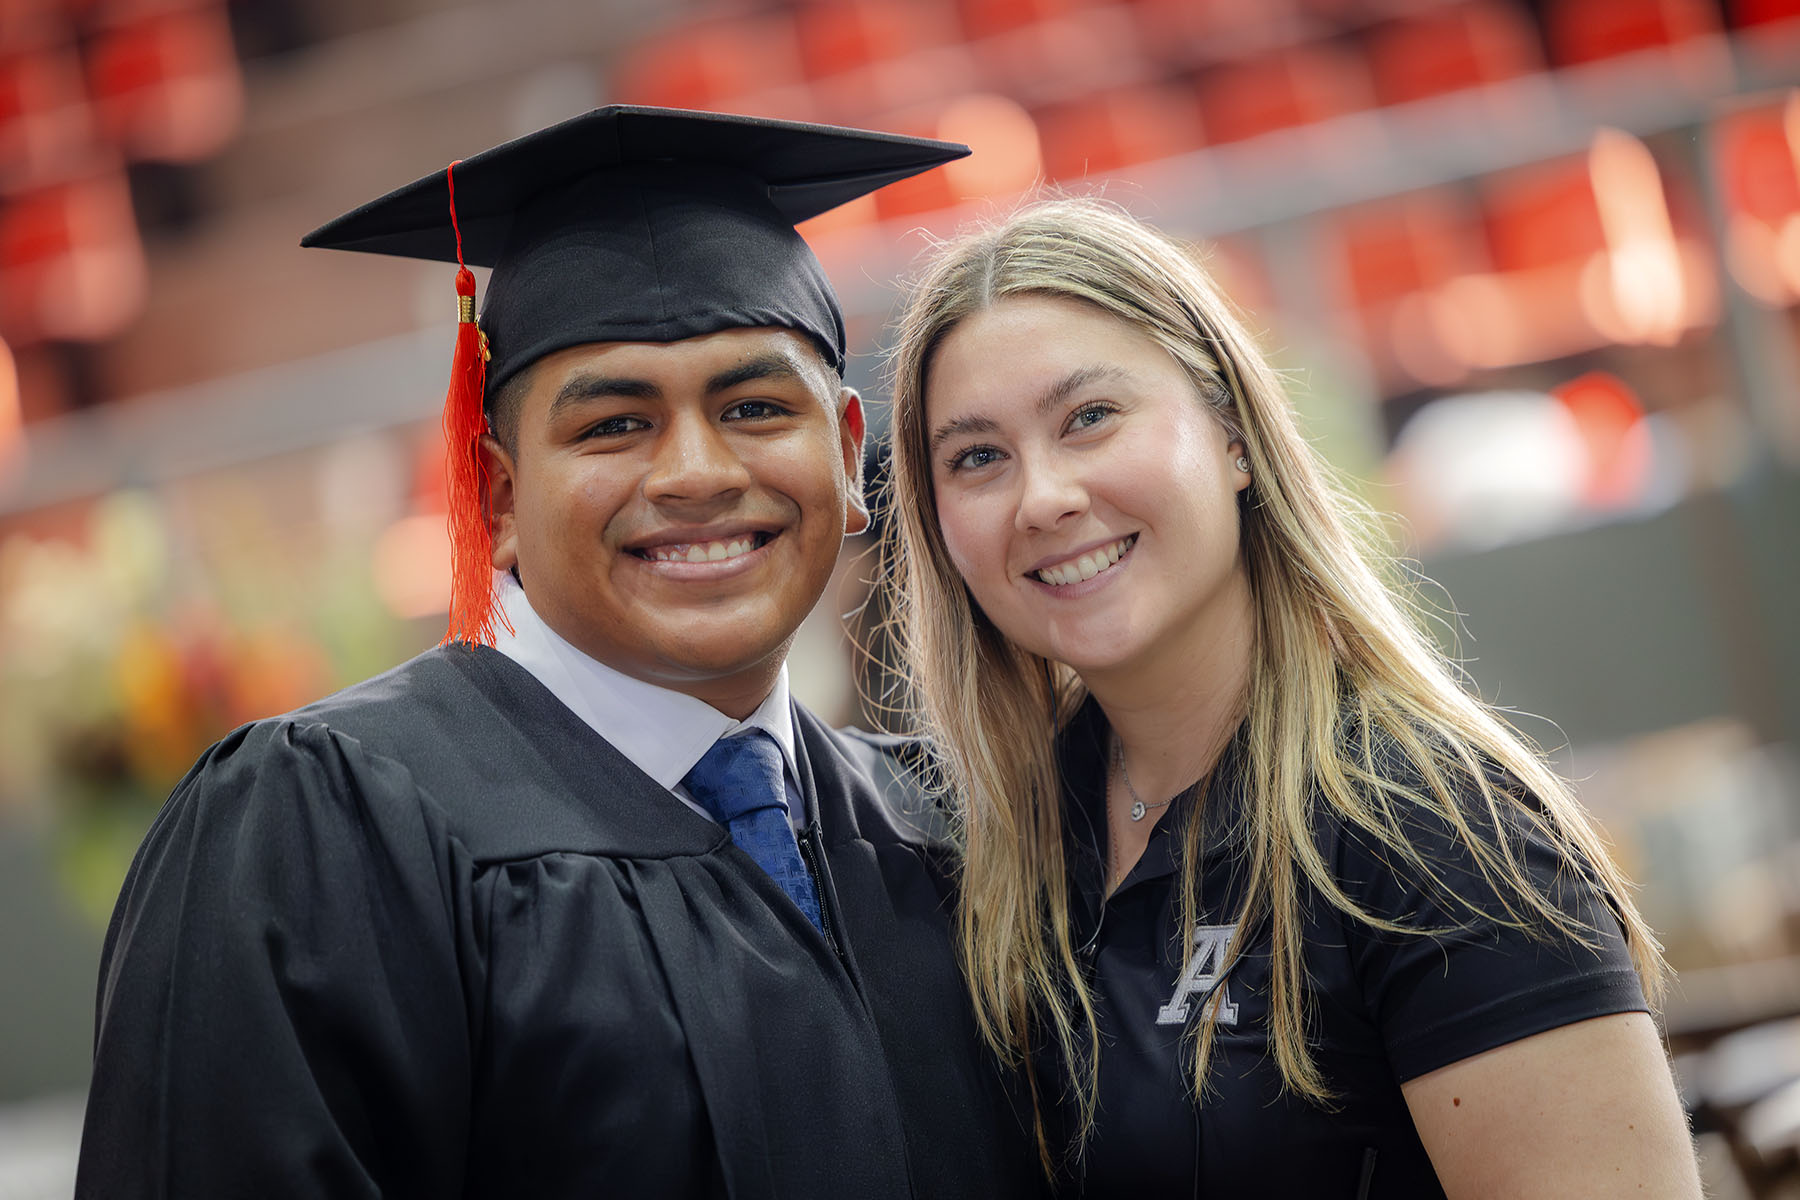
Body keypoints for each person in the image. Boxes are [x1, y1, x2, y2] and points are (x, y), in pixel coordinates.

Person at [75, 107, 1038, 1199]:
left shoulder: (946, 829)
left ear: (849, 451)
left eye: (757, 406)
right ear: (498, 496)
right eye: (613, 426)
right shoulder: (324, 833)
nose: (695, 473)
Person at [877, 197, 1702, 1197]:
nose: (1042, 495)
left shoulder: (1434, 832)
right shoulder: (985, 850)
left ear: (1230, 433)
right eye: (977, 458)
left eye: (1090, 417)